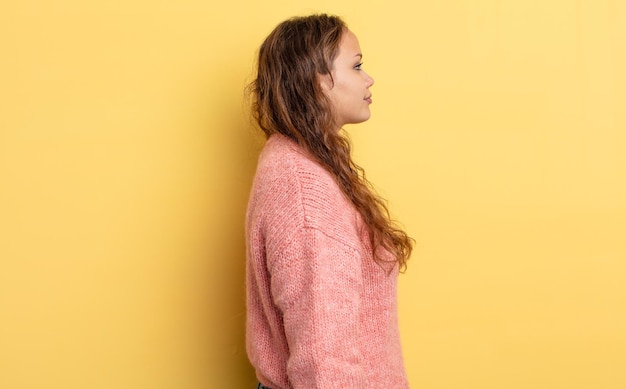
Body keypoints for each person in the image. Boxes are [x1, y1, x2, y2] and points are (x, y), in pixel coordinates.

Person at [245, 14, 413, 389]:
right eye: (356, 66)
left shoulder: (299, 163)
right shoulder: (304, 188)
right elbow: (323, 359)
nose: (368, 79)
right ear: (318, 80)